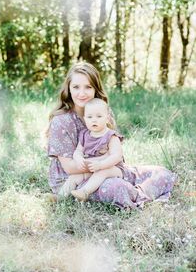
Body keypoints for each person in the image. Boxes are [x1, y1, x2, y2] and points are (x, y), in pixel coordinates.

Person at [47, 62, 177, 209]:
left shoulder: (104, 113)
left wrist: (104, 164)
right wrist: (103, 160)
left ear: (95, 89)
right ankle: (130, 193)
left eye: (88, 87)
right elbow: (71, 167)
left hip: (108, 169)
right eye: (76, 87)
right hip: (72, 179)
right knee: (116, 188)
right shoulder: (61, 121)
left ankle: (138, 193)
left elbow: (117, 155)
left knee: (162, 173)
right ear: (68, 89)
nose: (81, 93)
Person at [58, 98, 124, 201]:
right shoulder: (85, 135)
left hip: (113, 169)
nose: (94, 120)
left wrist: (101, 165)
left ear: (107, 118)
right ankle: (59, 197)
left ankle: (84, 192)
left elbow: (117, 156)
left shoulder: (111, 136)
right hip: (93, 168)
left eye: (99, 116)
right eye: (90, 117)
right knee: (74, 177)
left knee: (101, 172)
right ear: (85, 119)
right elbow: (78, 151)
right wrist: (79, 159)